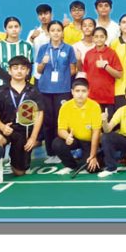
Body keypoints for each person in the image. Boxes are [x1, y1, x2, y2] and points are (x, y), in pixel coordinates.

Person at [0, 56, 44, 178]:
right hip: (4, 129)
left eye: (23, 68)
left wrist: (33, 138)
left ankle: (15, 159)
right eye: (15, 68)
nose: (19, 71)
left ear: (28, 71)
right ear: (9, 70)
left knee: (19, 172)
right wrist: (2, 127)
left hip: (23, 131)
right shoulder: (0, 91)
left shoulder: (34, 91)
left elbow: (39, 114)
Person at [36, 20, 77, 164]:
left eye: (58, 30)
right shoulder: (43, 49)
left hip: (63, 89)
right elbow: (39, 70)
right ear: (48, 32)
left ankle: (61, 151)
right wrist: (44, 63)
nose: (56, 33)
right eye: (52, 30)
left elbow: (73, 69)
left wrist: (64, 78)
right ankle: (50, 152)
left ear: (62, 32)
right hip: (45, 89)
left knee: (61, 122)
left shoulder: (68, 49)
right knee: (48, 121)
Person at [52, 78, 103, 175]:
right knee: (57, 143)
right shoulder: (65, 106)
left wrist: (93, 155)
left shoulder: (94, 106)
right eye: (77, 91)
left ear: (88, 92)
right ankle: (71, 166)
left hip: (89, 141)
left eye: (83, 91)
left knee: (92, 169)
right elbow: (61, 129)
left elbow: (96, 133)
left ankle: (97, 156)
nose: (80, 94)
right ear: (72, 92)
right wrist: (67, 136)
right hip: (74, 139)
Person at [83, 27, 123, 116]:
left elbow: (119, 74)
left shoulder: (112, 53)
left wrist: (105, 66)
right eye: (96, 37)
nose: (99, 39)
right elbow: (85, 73)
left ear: (106, 38)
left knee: (106, 127)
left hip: (107, 98)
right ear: (93, 38)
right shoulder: (88, 54)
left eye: (101, 36)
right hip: (91, 98)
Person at [0, 16, 34, 87]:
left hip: (22, 85)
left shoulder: (27, 46)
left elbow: (29, 67)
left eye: (16, 27)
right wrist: (12, 80)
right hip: (2, 85)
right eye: (10, 27)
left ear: (20, 28)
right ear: (5, 29)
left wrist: (23, 80)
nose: (14, 29)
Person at [26, 4, 52, 80]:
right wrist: (32, 37)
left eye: (46, 13)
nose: (43, 16)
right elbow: (27, 49)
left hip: (55, 70)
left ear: (51, 14)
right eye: (40, 14)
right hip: (38, 73)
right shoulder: (33, 32)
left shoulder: (58, 31)